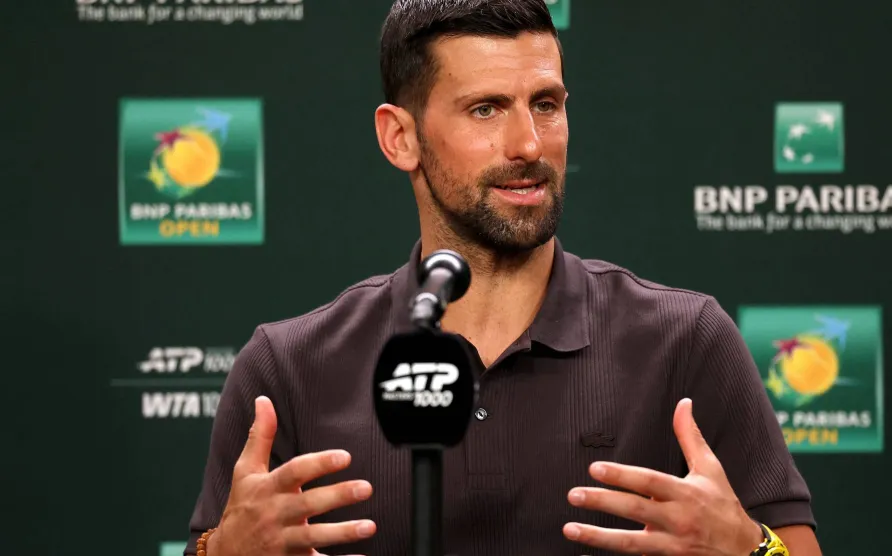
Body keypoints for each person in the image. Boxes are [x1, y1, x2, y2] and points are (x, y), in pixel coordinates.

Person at [184, 1, 823, 554]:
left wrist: (749, 551)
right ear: (399, 137)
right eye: (486, 110)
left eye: (545, 104)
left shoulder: (687, 343)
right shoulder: (289, 370)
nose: (529, 144)